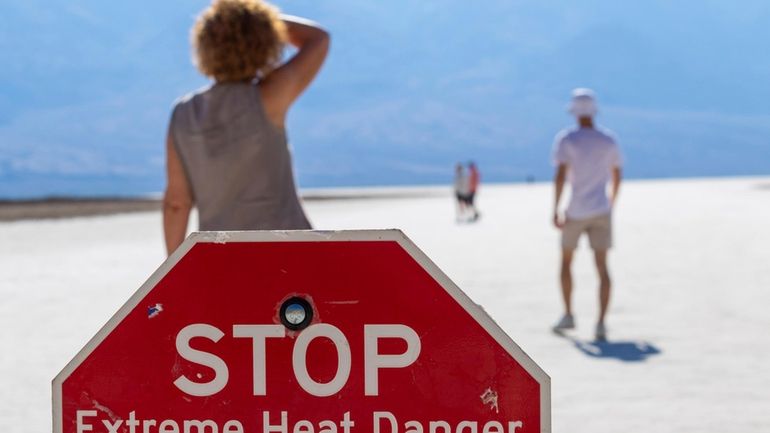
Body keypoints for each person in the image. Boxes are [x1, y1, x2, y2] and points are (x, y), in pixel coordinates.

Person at [163, 0, 330, 255]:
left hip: (222, 255)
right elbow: (318, 38)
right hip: (289, 249)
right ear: (265, 44)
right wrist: (258, 24)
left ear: (203, 45)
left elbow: (177, 202)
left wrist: (173, 270)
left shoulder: (184, 112)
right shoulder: (269, 97)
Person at [551, 88, 623, 341]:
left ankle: (568, 313)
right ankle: (601, 322)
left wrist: (556, 208)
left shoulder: (567, 139)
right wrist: (613, 199)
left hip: (576, 210)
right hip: (601, 209)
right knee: (602, 266)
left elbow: (560, 175)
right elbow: (617, 173)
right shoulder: (608, 140)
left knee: (567, 261)